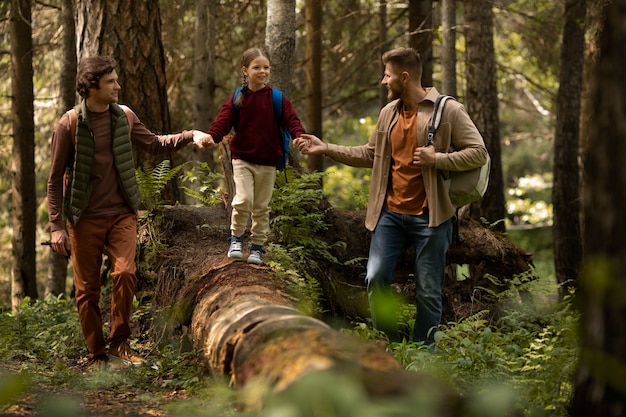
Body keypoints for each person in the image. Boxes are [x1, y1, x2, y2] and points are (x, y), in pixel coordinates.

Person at [294, 47, 488, 347]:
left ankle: (424, 354)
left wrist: (437, 159)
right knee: (375, 279)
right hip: (390, 216)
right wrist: (326, 148)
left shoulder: (447, 109)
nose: (384, 81)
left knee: (428, 290)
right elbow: (370, 154)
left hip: (431, 217)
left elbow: (478, 153)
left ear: (404, 76)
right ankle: (391, 345)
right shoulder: (389, 113)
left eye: (387, 75)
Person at [47, 56, 214, 368]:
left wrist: (191, 135)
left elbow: (154, 144)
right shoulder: (68, 124)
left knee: (125, 273)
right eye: (111, 81)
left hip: (123, 213)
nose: (118, 86)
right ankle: (97, 354)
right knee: (87, 291)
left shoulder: (124, 116)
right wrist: (56, 226)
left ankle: (120, 343)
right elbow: (55, 180)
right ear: (91, 86)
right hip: (84, 218)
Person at [205, 47, 305, 265]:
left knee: (261, 206)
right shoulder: (238, 98)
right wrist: (211, 137)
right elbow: (223, 123)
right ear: (245, 70)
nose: (262, 71)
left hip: (268, 162)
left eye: (266, 67)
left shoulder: (277, 99)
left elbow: (292, 121)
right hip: (242, 159)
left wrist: (299, 136)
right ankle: (236, 239)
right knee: (243, 199)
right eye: (257, 67)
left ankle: (258, 247)